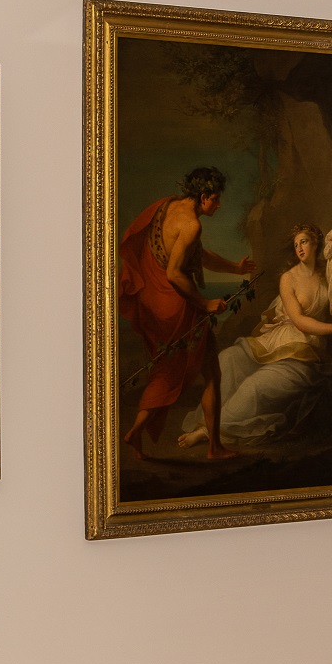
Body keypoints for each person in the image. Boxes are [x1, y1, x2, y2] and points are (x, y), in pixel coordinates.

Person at [177, 224, 332, 448]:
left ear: (316, 242)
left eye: (304, 242)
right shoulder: (288, 278)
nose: (299, 248)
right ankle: (208, 420)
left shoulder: (328, 274)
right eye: (296, 245)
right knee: (227, 359)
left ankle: (209, 431)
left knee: (254, 386)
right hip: (274, 341)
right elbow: (298, 320)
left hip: (304, 351)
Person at [117, 166, 256, 459]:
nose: (219, 205)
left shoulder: (168, 205)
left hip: (155, 301)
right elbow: (174, 273)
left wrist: (235, 268)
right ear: (203, 196)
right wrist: (204, 304)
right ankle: (214, 447)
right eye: (216, 199)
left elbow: (195, 254)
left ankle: (136, 431)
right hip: (177, 304)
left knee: (168, 368)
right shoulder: (192, 224)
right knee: (211, 373)